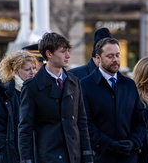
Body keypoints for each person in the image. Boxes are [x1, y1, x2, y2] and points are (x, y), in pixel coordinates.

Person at [18, 32, 94, 163]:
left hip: (73, 155)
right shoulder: (32, 87)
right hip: (48, 156)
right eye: (63, 51)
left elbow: (81, 122)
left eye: (68, 51)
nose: (68, 55)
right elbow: (25, 129)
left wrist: (87, 155)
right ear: (49, 54)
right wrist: (27, 160)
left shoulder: (74, 82)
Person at [80, 37, 145, 163]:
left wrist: (133, 143)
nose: (115, 60)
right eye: (110, 56)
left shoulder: (129, 85)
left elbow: (140, 122)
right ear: (98, 58)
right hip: (101, 157)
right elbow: (86, 124)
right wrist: (110, 145)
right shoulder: (85, 85)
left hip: (129, 158)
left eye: (117, 55)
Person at [0, 50, 38, 163]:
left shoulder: (38, 90)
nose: (32, 72)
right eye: (27, 69)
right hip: (13, 151)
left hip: (36, 149)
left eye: (34, 68)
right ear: (16, 71)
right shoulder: (4, 93)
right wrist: (4, 147)